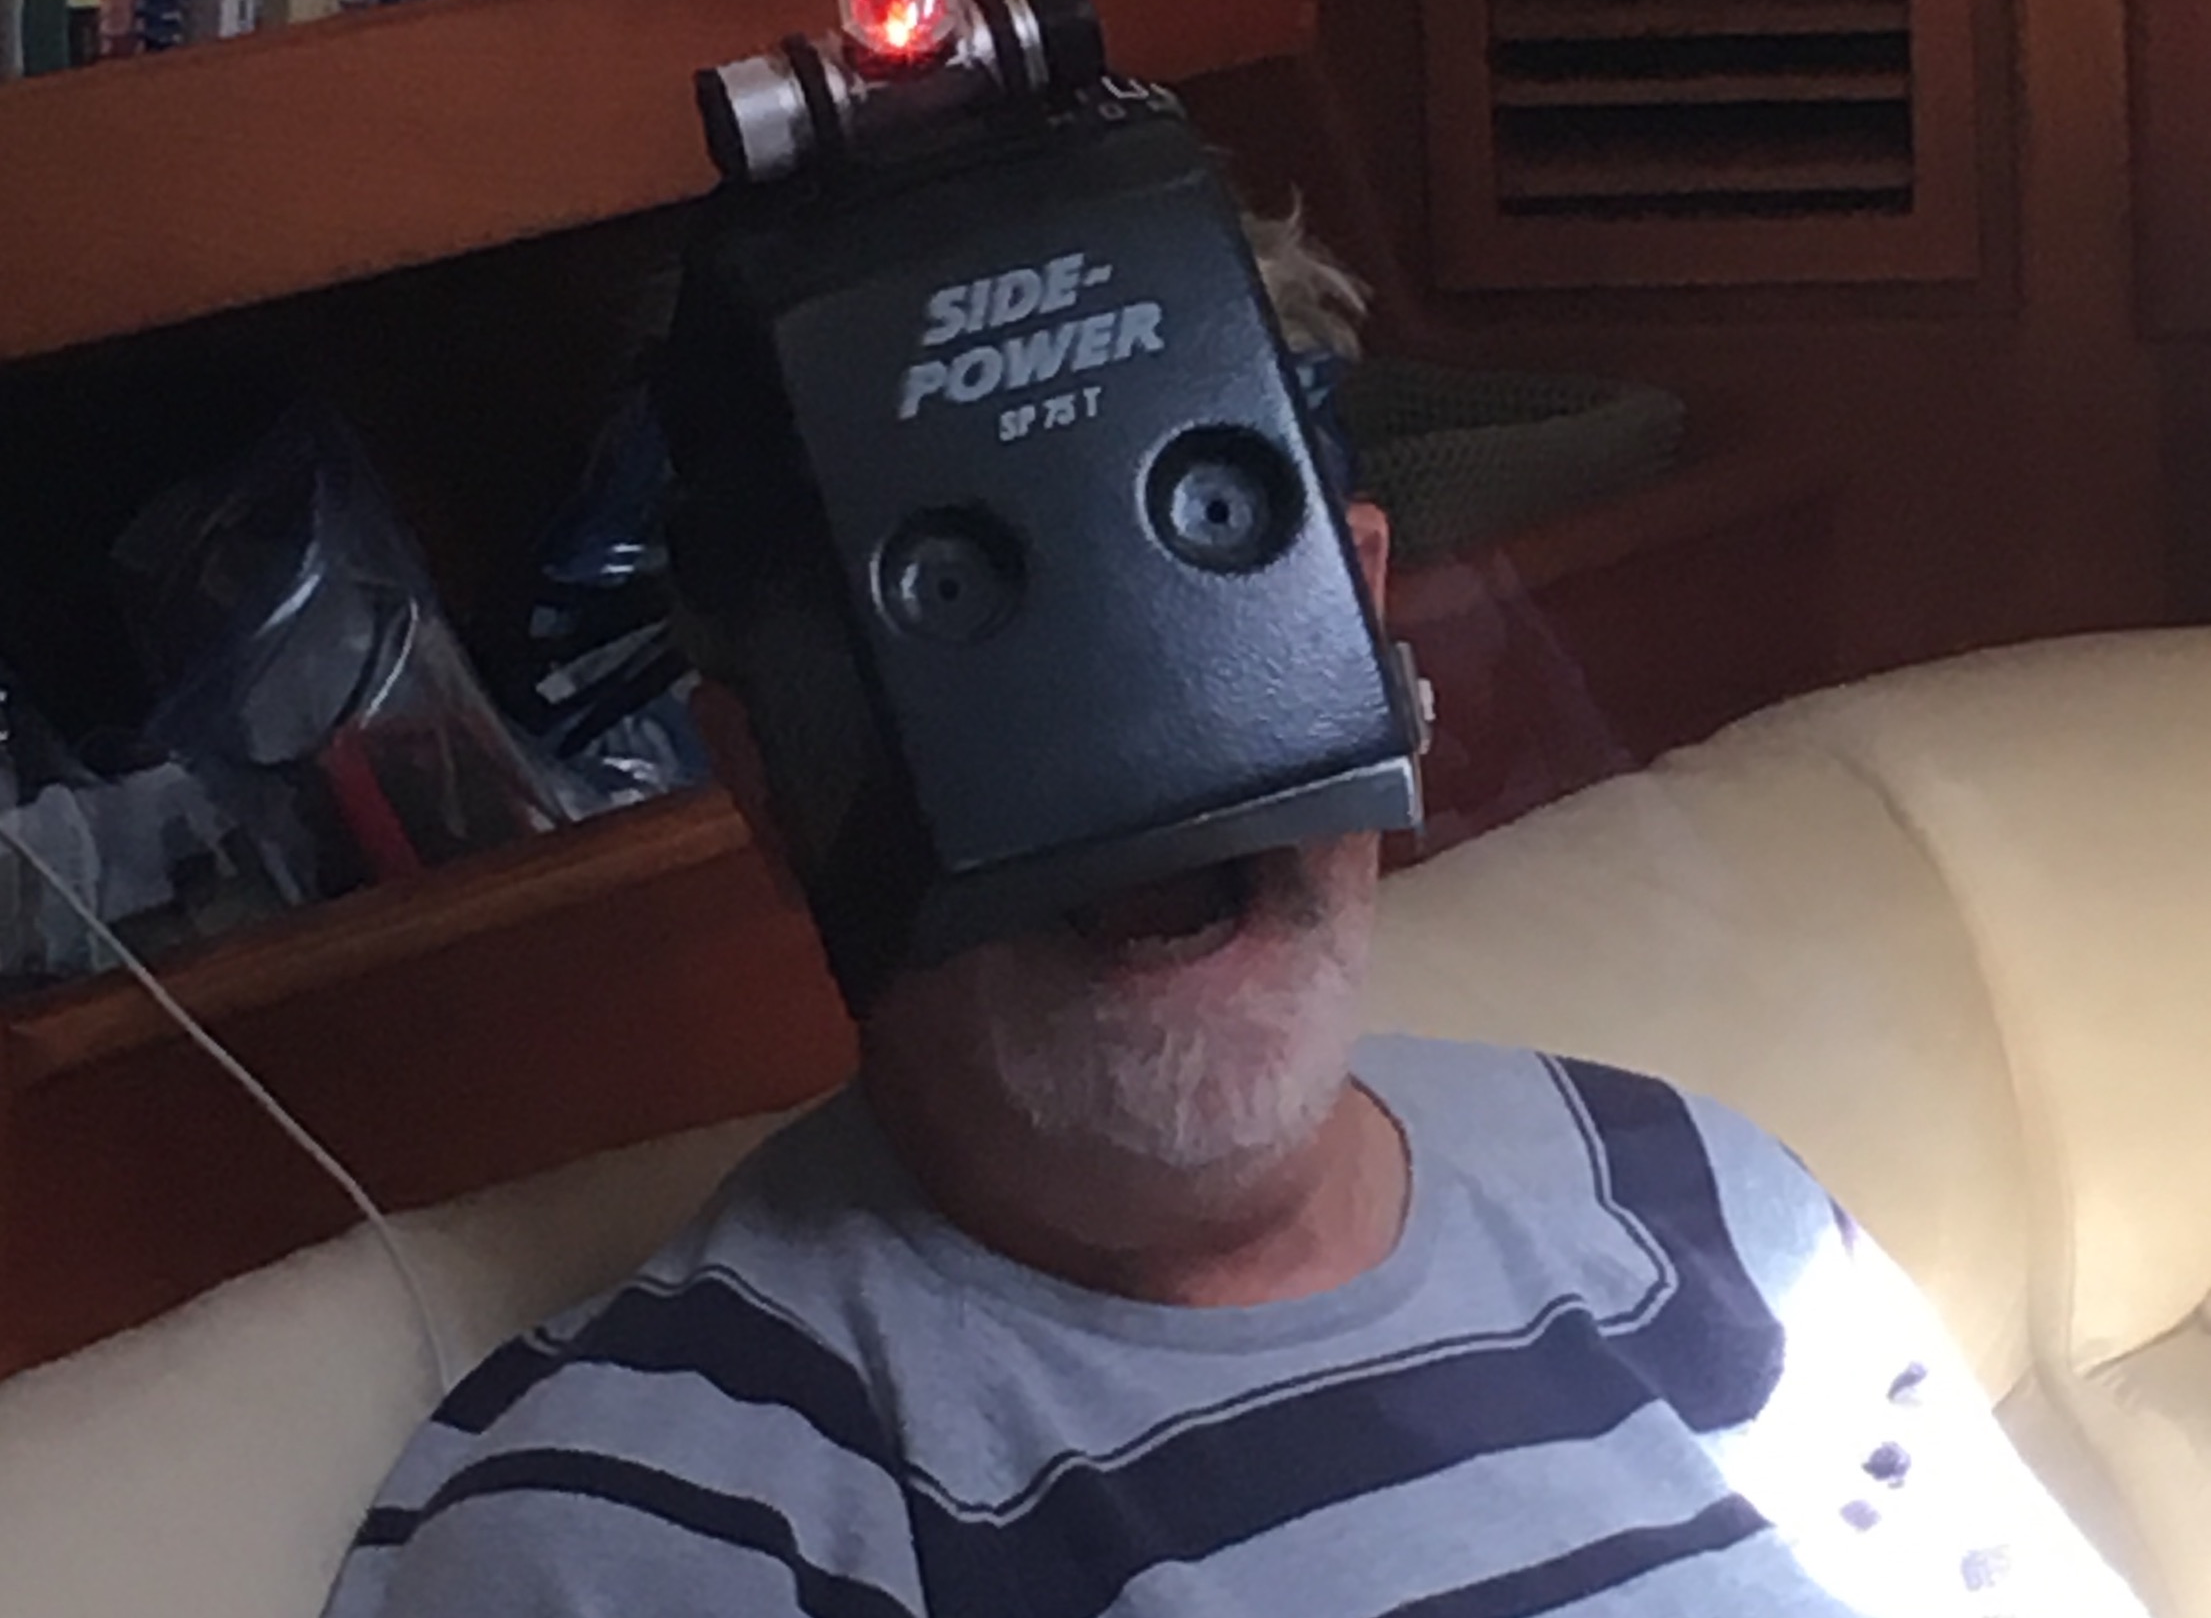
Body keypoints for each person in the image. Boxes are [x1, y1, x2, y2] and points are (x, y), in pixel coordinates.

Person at [322, 214, 2148, 1618]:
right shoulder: (658, 1534)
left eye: (1202, 543)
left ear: (1362, 612)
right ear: (774, 784)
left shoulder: (1694, 1206)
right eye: (961, 612)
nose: (1139, 777)